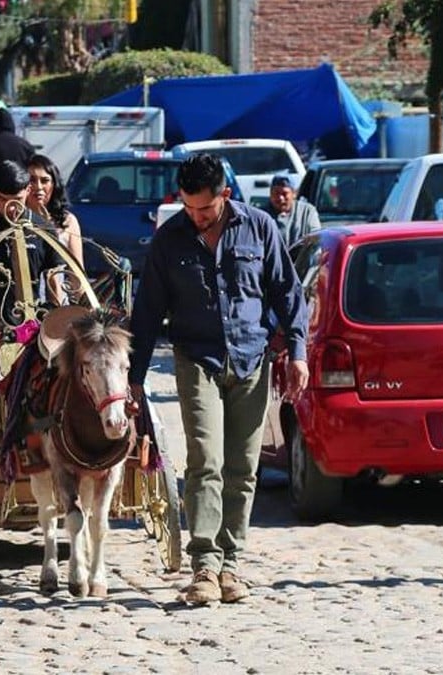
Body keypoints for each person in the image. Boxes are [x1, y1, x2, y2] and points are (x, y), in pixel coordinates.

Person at [129, 153, 308, 604]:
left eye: (204, 210)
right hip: (197, 361)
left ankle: (231, 563)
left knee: (243, 467)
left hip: (252, 360)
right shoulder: (170, 240)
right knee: (205, 460)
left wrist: (300, 352)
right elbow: (147, 311)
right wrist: (134, 376)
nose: (196, 217)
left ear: (225, 195)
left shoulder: (260, 227)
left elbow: (287, 291)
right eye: (188, 208)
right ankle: (204, 566)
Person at [0, 160, 64, 323]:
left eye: (17, 200)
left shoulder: (43, 228)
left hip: (30, 324)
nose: (11, 208)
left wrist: (55, 323)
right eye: (2, 199)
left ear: (28, 190)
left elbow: (53, 281)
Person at [26, 153, 84, 267]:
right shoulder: (15, 218)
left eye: (44, 180)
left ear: (54, 184)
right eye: (32, 180)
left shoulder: (68, 221)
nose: (38, 187)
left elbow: (77, 272)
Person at [267, 174, 321, 249]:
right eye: (276, 193)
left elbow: (315, 239)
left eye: (284, 194)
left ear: (294, 194)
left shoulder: (307, 211)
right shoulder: (262, 215)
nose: (280, 198)